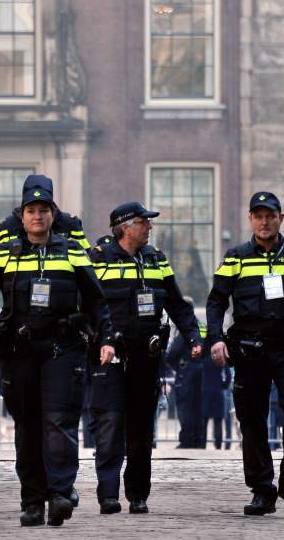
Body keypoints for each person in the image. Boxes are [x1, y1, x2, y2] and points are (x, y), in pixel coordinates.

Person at [0, 176, 115, 527]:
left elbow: (97, 300)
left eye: (44, 210)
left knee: (59, 422)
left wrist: (106, 338)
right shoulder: (5, 252)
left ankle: (60, 493)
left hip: (61, 348)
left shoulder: (71, 250)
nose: (37, 217)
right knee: (27, 426)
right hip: (19, 350)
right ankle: (32, 500)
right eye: (31, 211)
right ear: (22, 216)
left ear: (53, 214)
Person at [207, 192, 284, 516]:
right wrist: (216, 338)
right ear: (250, 219)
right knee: (252, 422)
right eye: (258, 216)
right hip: (249, 352)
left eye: (270, 216)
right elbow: (216, 301)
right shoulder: (235, 257)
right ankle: (262, 490)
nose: (264, 222)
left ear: (281, 219)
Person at [86, 202, 203, 514]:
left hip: (145, 358)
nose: (149, 227)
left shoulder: (156, 259)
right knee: (110, 425)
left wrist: (193, 336)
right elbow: (87, 306)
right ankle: (108, 494)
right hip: (109, 357)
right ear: (125, 227)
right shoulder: (98, 259)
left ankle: (138, 494)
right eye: (143, 222)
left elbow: (177, 303)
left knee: (141, 430)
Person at [165, 329, 204, 448]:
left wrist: (176, 366)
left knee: (185, 408)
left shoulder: (185, 331)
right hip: (201, 373)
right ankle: (199, 440)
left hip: (185, 373)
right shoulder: (203, 329)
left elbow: (172, 354)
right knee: (198, 409)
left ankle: (187, 440)